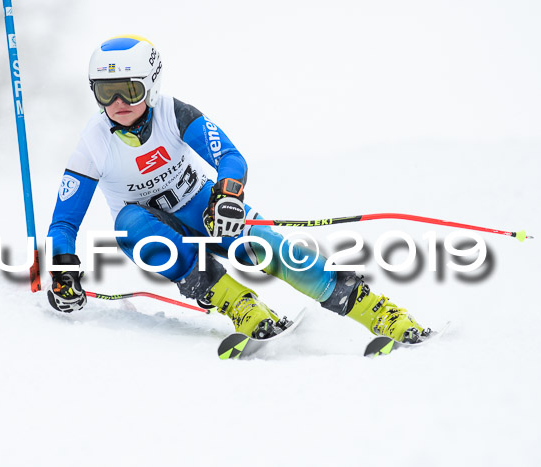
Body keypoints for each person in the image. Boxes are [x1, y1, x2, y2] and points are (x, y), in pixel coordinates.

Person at [46, 35, 427, 343]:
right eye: (105, 92)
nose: (117, 104)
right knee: (128, 223)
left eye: (129, 91)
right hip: (154, 231)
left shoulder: (173, 114)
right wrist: (63, 268)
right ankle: (242, 306)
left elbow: (230, 157)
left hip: (207, 210)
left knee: (270, 251)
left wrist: (227, 196)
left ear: (151, 85)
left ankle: (376, 311)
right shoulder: (92, 145)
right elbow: (64, 223)